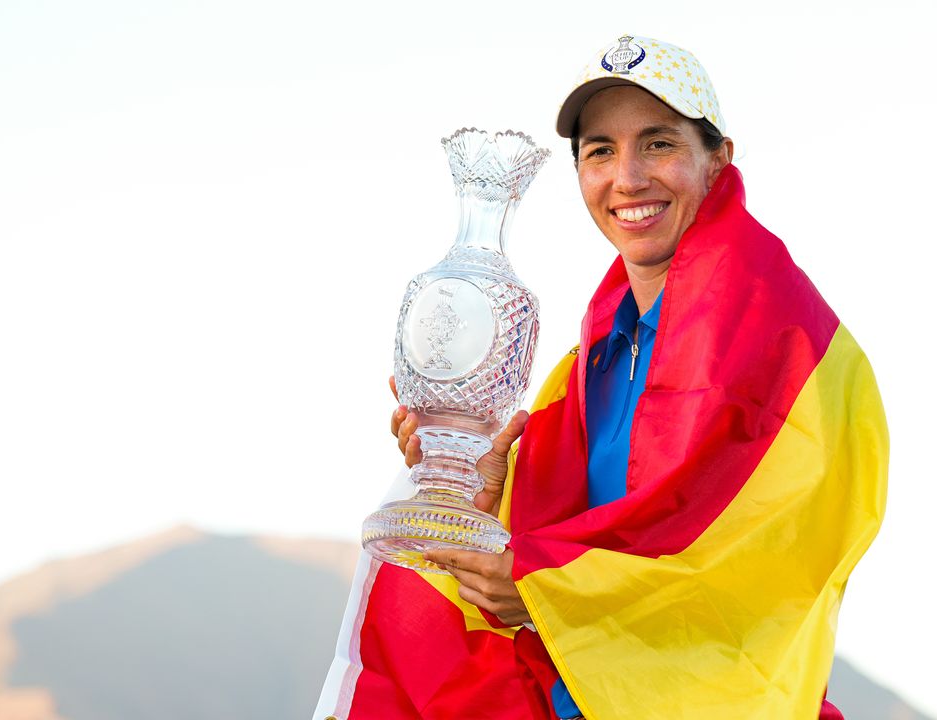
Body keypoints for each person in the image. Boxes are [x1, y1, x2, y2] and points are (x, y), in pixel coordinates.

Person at [313, 35, 888, 720]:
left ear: (718, 159)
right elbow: (584, 539)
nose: (628, 178)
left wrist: (546, 591)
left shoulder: (787, 338)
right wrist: (471, 485)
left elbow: (756, 569)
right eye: (600, 152)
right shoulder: (595, 360)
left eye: (659, 144)